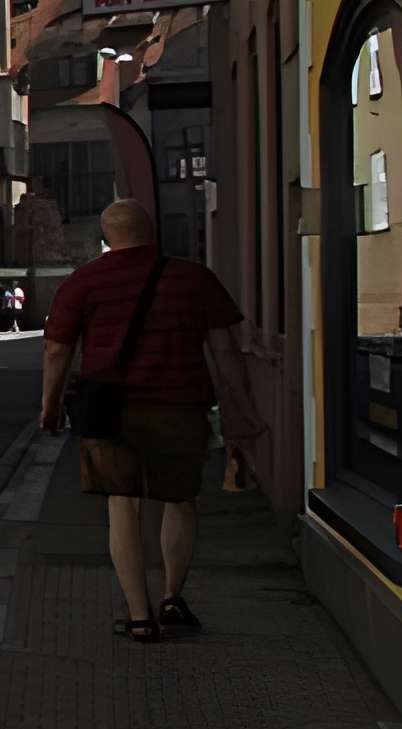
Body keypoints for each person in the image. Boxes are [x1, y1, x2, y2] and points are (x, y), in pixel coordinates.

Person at [40, 199, 263, 643]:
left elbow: (57, 349)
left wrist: (49, 405)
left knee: (122, 504)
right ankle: (172, 597)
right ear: (152, 232)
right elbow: (225, 351)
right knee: (179, 500)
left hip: (108, 410)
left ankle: (139, 616)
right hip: (181, 406)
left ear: (106, 238)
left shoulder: (84, 281)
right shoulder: (193, 278)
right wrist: (244, 409)